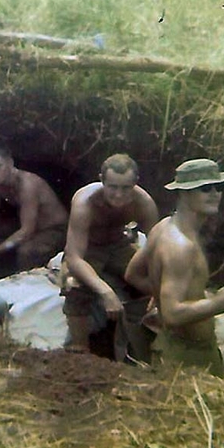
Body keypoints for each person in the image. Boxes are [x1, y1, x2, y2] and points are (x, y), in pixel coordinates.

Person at [124, 158, 224, 376]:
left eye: (218, 186)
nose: (214, 194)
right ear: (183, 192)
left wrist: (161, 294)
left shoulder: (164, 227)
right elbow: (172, 315)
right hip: (189, 358)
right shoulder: (181, 247)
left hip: (176, 347)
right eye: (204, 188)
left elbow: (132, 274)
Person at [62, 153, 159, 362]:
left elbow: (157, 248)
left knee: (149, 283)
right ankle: (80, 350)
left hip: (119, 245)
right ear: (101, 180)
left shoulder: (144, 203)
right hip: (89, 248)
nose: (118, 195)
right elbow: (74, 257)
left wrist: (157, 287)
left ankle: (145, 346)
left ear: (135, 184)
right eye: (112, 187)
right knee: (75, 284)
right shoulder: (85, 203)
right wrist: (105, 291)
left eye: (125, 188)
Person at [0, 143, 68, 275]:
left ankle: (23, 281)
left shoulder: (28, 185)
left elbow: (27, 230)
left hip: (55, 229)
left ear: (10, 163)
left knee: (26, 251)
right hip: (30, 225)